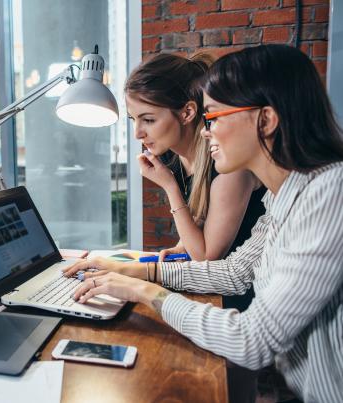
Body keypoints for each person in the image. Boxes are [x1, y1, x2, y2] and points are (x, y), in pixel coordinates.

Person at [64, 44, 343, 402]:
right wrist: (138, 272)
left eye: (214, 118)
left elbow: (251, 340)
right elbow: (233, 272)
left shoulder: (328, 194)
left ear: (266, 120)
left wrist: (145, 291)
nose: (206, 132)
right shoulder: (283, 197)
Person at [125, 53, 266, 313]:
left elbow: (206, 256)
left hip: (241, 302)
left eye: (149, 119)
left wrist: (170, 187)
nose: (138, 133)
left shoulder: (229, 165)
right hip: (210, 289)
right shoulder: (171, 156)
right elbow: (200, 224)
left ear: (187, 112)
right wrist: (180, 249)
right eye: (133, 120)